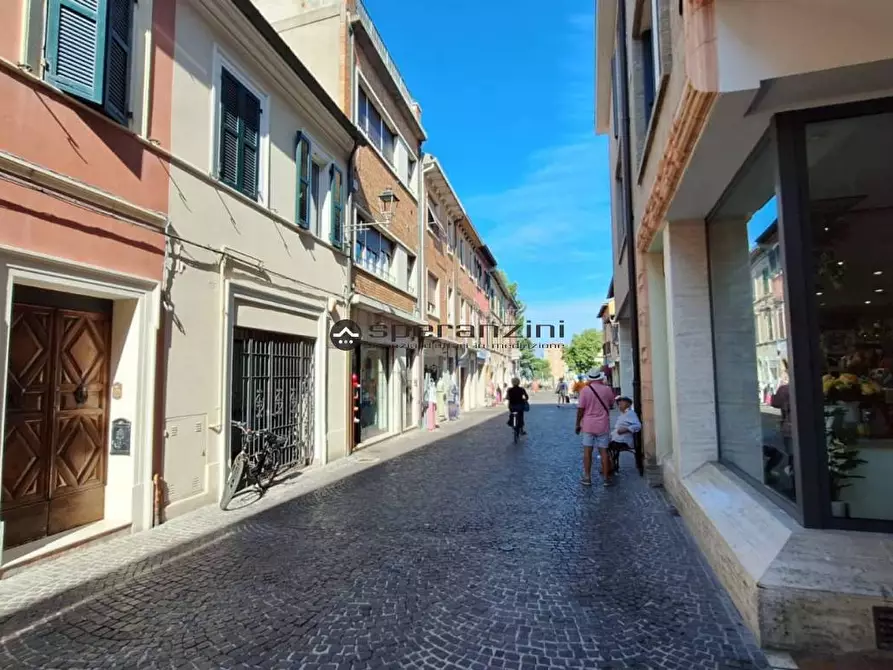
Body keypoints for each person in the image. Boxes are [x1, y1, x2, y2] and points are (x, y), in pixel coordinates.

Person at [575, 369, 615, 486]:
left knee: (587, 452)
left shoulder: (585, 390)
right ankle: (606, 479)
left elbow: (580, 409)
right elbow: (612, 404)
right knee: (604, 452)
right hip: (603, 424)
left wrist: (577, 424)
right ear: (600, 378)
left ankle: (587, 477)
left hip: (588, 425)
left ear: (590, 379)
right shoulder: (607, 390)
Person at [607, 396, 642, 475]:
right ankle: (610, 466)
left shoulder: (630, 413)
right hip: (618, 439)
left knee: (604, 446)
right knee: (604, 445)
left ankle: (611, 466)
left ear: (628, 404)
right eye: (619, 404)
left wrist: (626, 429)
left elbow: (638, 425)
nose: (619, 406)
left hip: (623, 441)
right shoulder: (624, 414)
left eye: (621, 404)